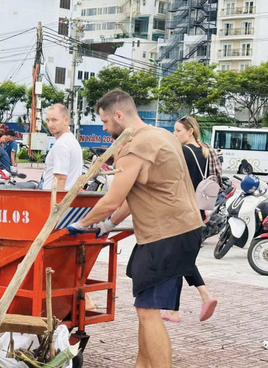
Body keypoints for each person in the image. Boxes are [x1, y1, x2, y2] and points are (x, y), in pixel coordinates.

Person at [66, 89, 204, 368]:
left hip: (164, 234)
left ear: (119, 115)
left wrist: (81, 224)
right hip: (183, 230)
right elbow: (137, 194)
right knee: (146, 308)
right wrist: (109, 224)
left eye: (105, 122)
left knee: (148, 312)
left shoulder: (134, 146)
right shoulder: (162, 135)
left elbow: (112, 200)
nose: (105, 129)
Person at [162, 115, 218, 323]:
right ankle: (204, 297)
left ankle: (175, 309)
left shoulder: (184, 152)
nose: (174, 134)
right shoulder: (205, 151)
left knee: (177, 258)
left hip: (181, 210)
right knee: (180, 257)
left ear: (190, 131)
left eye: (177, 131)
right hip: (198, 211)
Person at [42, 104, 83, 191]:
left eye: (54, 120)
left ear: (66, 120)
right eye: (48, 120)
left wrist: (56, 204)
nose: (50, 124)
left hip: (54, 199)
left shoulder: (62, 145)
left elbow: (60, 179)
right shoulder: (71, 140)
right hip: (68, 197)